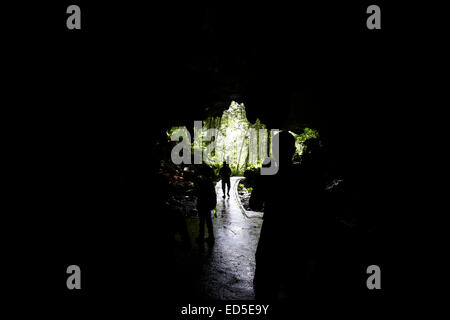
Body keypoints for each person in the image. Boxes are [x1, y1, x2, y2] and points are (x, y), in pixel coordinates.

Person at [195, 164, 217, 242]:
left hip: (203, 203)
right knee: (207, 221)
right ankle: (210, 236)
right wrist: (213, 204)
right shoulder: (209, 181)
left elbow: (199, 192)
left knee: (202, 221)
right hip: (207, 204)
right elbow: (213, 194)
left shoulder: (203, 182)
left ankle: (202, 236)